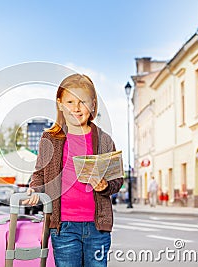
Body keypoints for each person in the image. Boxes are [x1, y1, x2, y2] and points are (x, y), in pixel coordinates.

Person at [22, 74, 124, 267]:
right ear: (60, 104)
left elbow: (117, 179)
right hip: (64, 226)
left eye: (83, 102)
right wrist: (34, 190)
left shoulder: (104, 140)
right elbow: (39, 174)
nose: (76, 108)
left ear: (93, 105)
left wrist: (105, 185)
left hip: (97, 227)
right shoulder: (50, 139)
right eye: (70, 102)